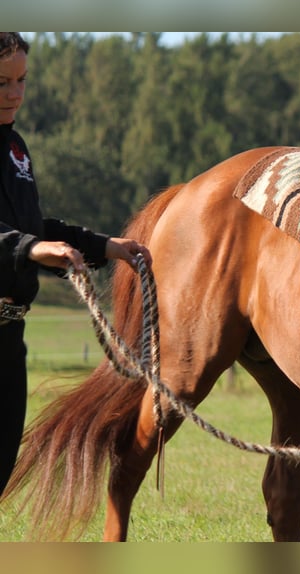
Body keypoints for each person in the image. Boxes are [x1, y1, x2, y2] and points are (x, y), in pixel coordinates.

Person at [0, 32, 152, 496]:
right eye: (2, 81)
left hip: (9, 335)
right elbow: (25, 237)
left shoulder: (15, 148)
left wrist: (104, 246)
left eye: (22, 80)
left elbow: (31, 223)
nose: (15, 93)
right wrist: (28, 249)